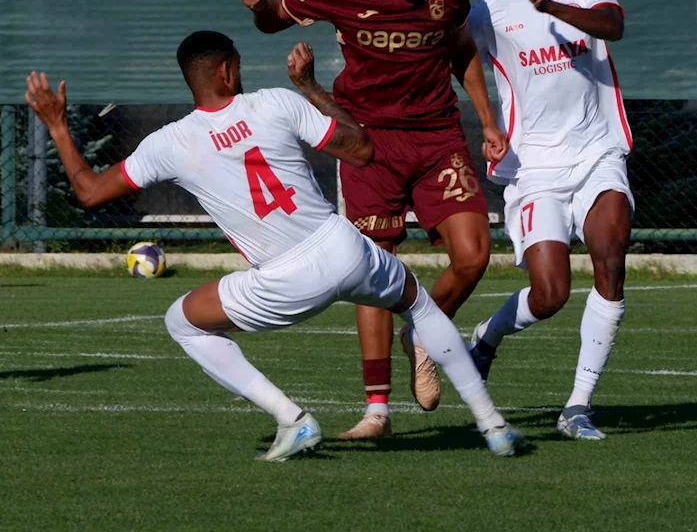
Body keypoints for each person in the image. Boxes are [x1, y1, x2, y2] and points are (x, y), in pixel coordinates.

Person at [25, 31, 522, 461]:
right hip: (343, 247)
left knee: (181, 321)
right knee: (419, 302)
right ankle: (493, 425)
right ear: (226, 70)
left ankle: (293, 418)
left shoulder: (169, 143)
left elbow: (89, 191)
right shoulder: (276, 102)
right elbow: (361, 148)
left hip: (283, 280)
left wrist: (58, 126)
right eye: (238, 64)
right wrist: (311, 88)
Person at [239, 0, 508, 440]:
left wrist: (487, 120)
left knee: (473, 255)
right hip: (369, 144)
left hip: (437, 137)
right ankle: (377, 412)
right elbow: (272, 20)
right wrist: (261, 6)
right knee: (373, 270)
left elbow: (461, 50)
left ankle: (423, 333)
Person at [467, 0, 634, 440]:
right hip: (534, 169)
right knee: (550, 295)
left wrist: (552, 7)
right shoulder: (492, 9)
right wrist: (487, 121)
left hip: (596, 154)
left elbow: (612, 25)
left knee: (611, 258)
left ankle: (578, 405)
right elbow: (457, 55)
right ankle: (486, 338)